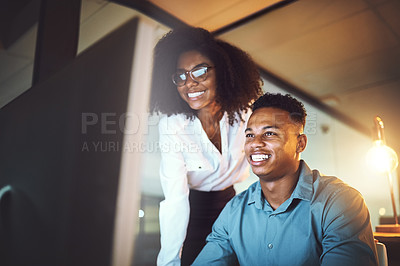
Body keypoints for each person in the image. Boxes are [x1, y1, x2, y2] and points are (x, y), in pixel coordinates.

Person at [193, 93, 378, 265]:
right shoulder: (234, 211)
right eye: (250, 135)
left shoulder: (340, 202)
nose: (255, 143)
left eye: (269, 133)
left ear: (300, 143)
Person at [149, 26, 263, 266]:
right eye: (180, 76)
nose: (189, 83)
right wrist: (168, 262)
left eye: (199, 71)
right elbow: (175, 199)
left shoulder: (246, 112)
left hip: (233, 203)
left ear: (221, 72)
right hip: (192, 211)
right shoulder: (173, 126)